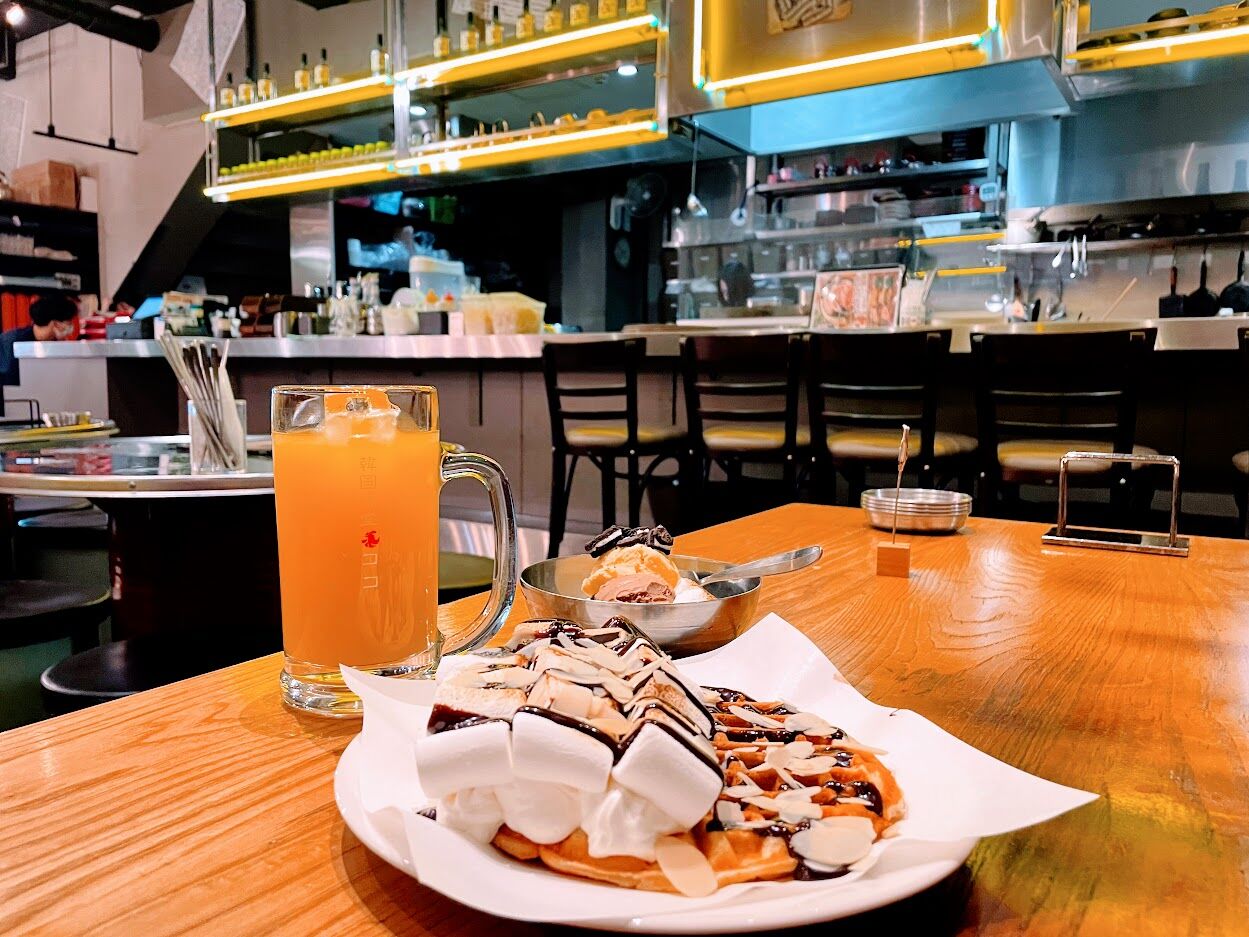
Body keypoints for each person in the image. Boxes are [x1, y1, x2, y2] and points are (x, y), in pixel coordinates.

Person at [0, 293, 78, 387]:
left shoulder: (57, 343)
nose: (71, 326)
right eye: (69, 322)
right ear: (56, 324)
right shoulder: (9, 343)